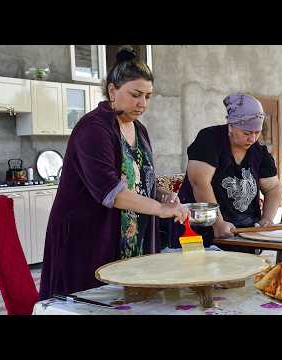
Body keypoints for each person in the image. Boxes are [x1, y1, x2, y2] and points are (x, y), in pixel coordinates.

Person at [39, 47, 188, 300]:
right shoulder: (93, 129)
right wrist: (160, 209)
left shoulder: (139, 130)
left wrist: (163, 196)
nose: (142, 104)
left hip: (131, 242)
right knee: (92, 302)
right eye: (135, 95)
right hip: (88, 241)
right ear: (112, 91)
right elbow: (111, 192)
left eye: (148, 96)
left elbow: (142, 181)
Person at [177, 93, 282, 251]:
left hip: (243, 236)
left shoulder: (259, 152)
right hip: (203, 233)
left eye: (257, 132)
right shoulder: (209, 139)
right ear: (231, 125)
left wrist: (267, 218)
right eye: (246, 133)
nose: (252, 139)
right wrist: (218, 223)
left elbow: (273, 187)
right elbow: (199, 182)